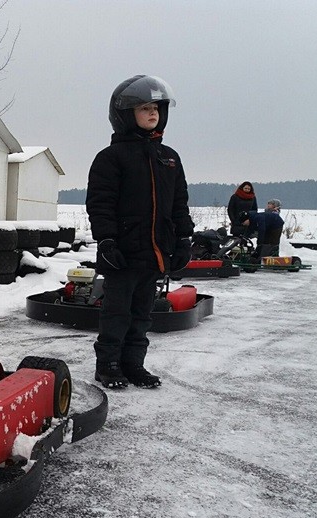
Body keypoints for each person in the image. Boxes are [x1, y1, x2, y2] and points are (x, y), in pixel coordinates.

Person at [86, 75, 195, 389]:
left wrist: (184, 239)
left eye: (156, 108)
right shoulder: (111, 158)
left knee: (142, 314)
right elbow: (100, 203)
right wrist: (106, 240)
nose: (153, 114)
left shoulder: (169, 158)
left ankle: (133, 364)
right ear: (125, 114)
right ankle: (107, 364)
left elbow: (179, 203)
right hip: (122, 252)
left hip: (155, 252)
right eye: (144, 108)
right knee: (117, 312)